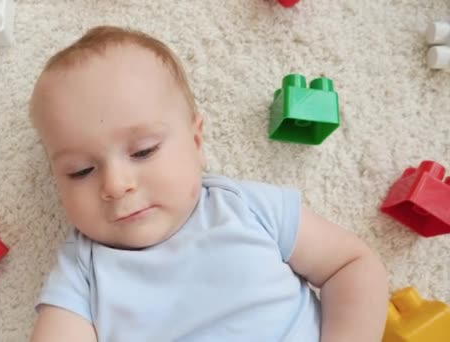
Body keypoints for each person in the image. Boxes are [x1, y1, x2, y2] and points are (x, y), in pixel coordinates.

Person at [28, 25, 388, 341]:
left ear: (197, 143)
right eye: (80, 171)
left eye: (143, 152)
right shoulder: (84, 269)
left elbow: (351, 264)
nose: (116, 184)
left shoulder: (243, 206)